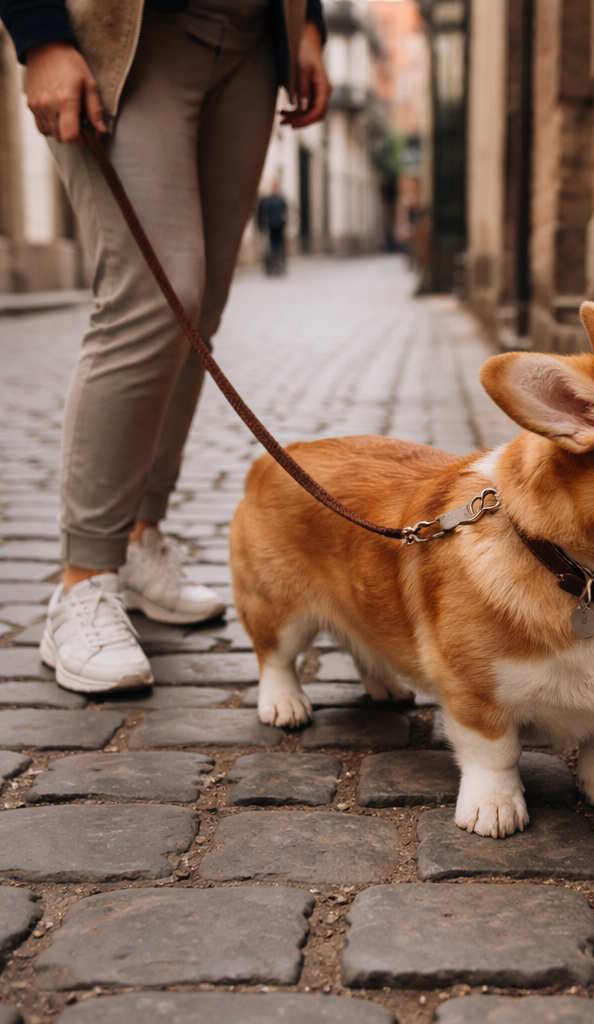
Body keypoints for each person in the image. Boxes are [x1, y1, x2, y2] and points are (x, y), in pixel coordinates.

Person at [0, 0, 329, 694]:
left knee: (195, 316)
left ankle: (142, 535)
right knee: (153, 299)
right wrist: (40, 35)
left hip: (253, 46)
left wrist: (311, 24)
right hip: (131, 34)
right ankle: (83, 581)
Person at [257, 178, 288, 275]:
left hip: (277, 226)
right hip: (272, 226)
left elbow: (284, 212)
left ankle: (278, 265)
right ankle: (275, 266)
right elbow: (264, 213)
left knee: (277, 246)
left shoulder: (277, 199)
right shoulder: (272, 200)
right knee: (274, 246)